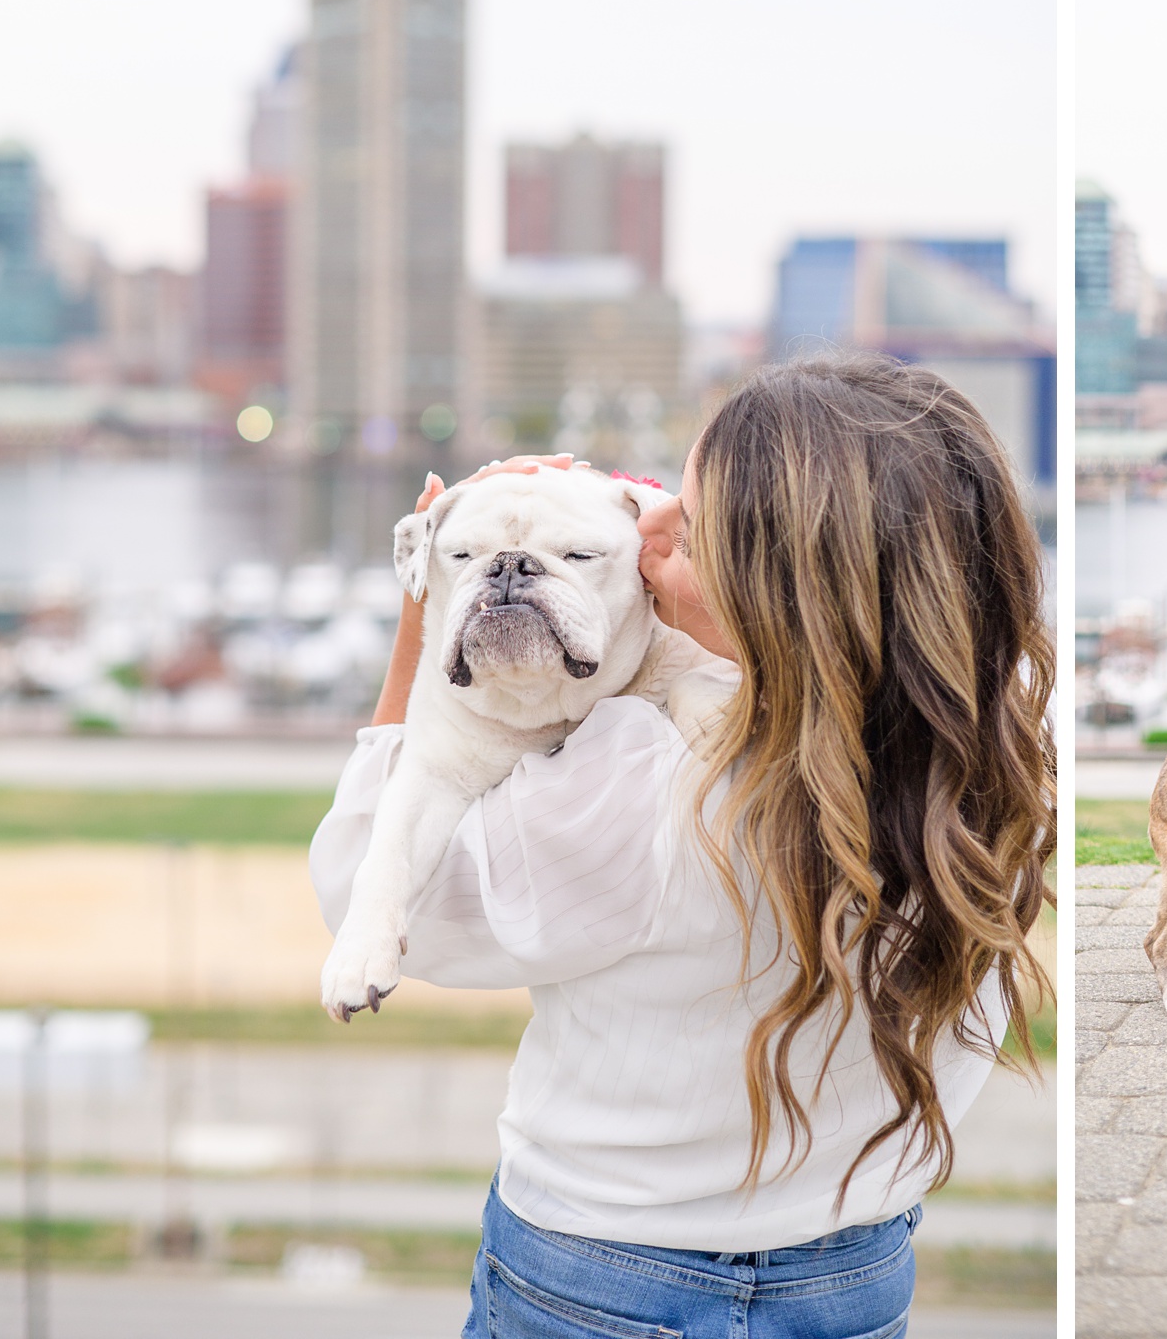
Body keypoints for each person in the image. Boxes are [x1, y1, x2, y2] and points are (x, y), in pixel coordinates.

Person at [311, 355, 1056, 1336]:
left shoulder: (641, 783)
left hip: (604, 1286)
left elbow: (364, 888)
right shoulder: (993, 759)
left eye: (690, 531)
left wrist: (433, 597)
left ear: (780, 590)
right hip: (855, 1279)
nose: (648, 523)